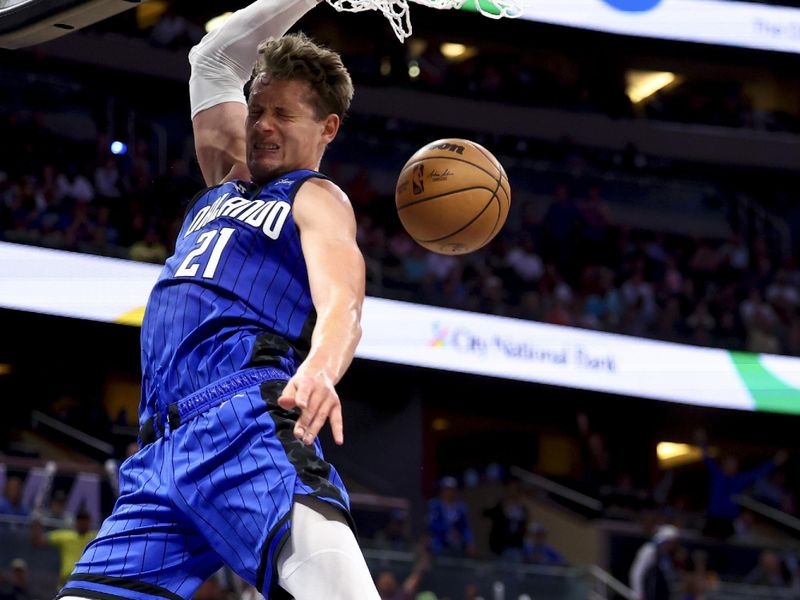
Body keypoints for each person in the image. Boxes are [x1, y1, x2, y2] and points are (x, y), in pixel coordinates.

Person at [56, 1, 381, 599]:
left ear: (328, 128)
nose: (261, 124)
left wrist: (321, 367)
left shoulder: (316, 198)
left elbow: (344, 304)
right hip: (157, 453)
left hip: (242, 424)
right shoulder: (227, 176)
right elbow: (211, 57)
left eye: (282, 114)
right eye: (257, 109)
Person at [32, 510, 97, 587]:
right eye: (80, 521)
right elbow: (39, 541)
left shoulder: (95, 537)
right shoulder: (66, 536)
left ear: (89, 522)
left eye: (85, 521)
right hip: (67, 582)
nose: (83, 524)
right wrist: (36, 524)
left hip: (86, 582)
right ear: (76, 522)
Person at [628, 525, 679, 600]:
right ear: (664, 541)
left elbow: (668, 577)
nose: (671, 547)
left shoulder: (665, 556)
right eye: (670, 543)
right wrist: (638, 593)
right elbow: (637, 572)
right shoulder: (649, 550)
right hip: (648, 593)